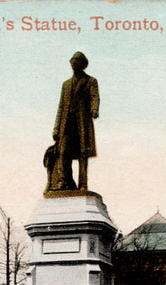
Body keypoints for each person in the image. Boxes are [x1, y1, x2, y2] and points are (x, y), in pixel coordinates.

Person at [51, 51, 99, 191]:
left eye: (76, 62)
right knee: (63, 152)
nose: (73, 64)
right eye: (72, 61)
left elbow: (94, 97)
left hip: (82, 123)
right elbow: (61, 107)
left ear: (83, 65)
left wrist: (94, 110)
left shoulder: (90, 81)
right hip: (66, 124)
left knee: (82, 154)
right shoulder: (66, 85)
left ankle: (82, 184)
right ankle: (64, 182)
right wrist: (56, 128)